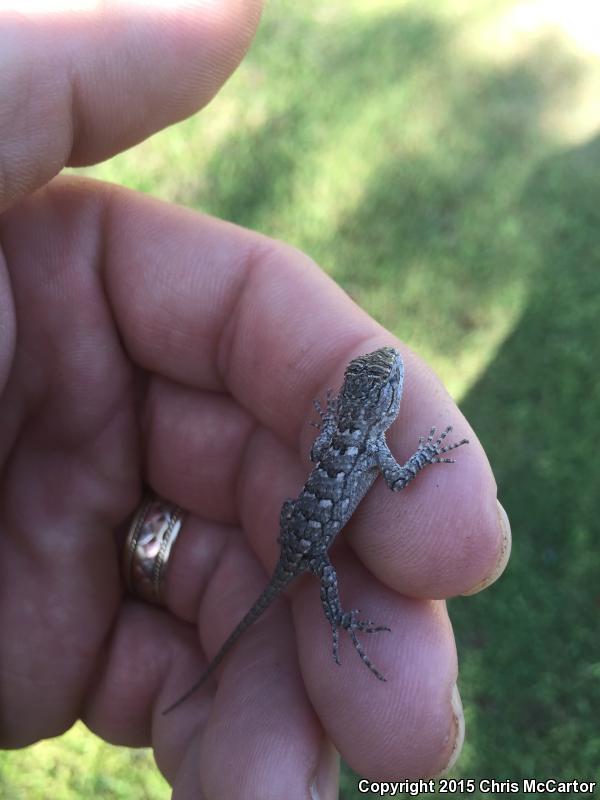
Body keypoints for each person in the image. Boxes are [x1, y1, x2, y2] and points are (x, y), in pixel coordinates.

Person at [0, 2, 509, 797]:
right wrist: (427, 455)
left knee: (312, 574)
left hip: (301, 526)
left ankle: (316, 622)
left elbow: (381, 478)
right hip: (305, 539)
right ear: (369, 414)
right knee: (322, 586)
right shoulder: (368, 449)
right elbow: (404, 482)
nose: (391, 384)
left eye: (384, 386)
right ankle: (334, 624)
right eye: (382, 390)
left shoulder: (346, 442)